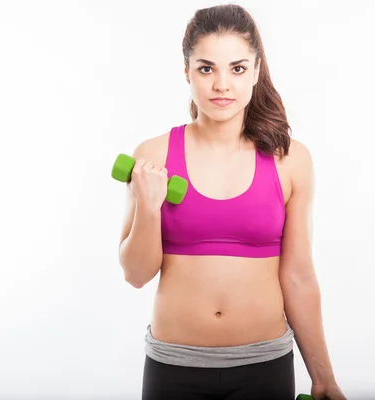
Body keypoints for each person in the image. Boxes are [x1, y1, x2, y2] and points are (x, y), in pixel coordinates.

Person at [118, 4, 346, 400]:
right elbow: (136, 275)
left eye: (237, 69)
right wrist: (149, 208)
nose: (222, 84)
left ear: (256, 72)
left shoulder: (290, 160)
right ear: (187, 72)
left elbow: (298, 277)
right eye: (206, 69)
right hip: (174, 364)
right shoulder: (152, 155)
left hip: (264, 364)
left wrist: (323, 378)